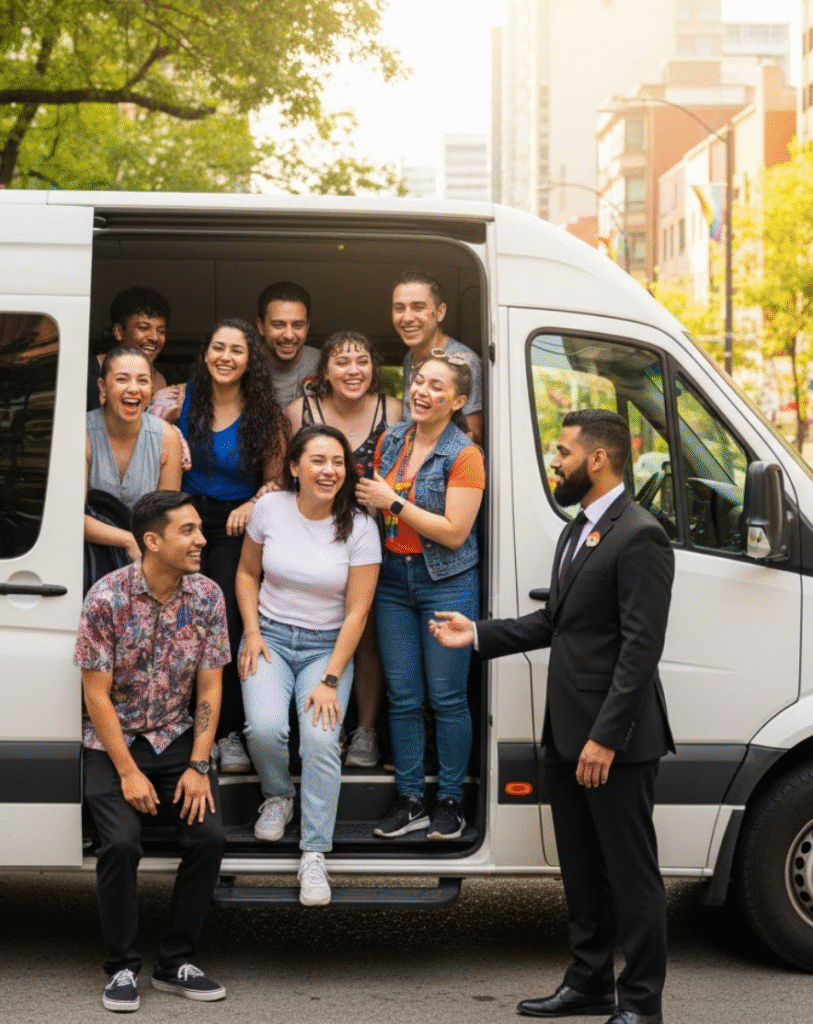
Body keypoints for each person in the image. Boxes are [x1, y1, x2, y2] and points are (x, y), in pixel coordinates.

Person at [430, 409, 675, 1024]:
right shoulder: (578, 530)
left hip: (611, 743)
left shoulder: (640, 534)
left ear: (597, 459)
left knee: (632, 876)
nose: (555, 460)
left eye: (563, 451)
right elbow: (556, 623)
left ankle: (643, 1004)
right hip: (566, 735)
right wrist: (478, 633)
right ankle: (590, 983)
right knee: (583, 872)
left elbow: (640, 650)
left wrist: (604, 739)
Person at [76, 490, 229, 1012]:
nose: (201, 540)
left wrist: (199, 764)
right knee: (119, 843)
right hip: (113, 739)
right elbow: (95, 693)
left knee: (208, 834)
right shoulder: (105, 599)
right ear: (152, 541)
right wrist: (127, 772)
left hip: (174, 734)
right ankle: (120, 968)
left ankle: (176, 961)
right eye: (188, 531)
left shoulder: (208, 596)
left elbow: (209, 689)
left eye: (198, 530)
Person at [235, 425, 381, 905]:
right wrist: (252, 634)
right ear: (294, 467)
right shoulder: (269, 509)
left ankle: (315, 852)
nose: (329, 470)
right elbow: (246, 572)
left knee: (320, 740)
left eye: (338, 461)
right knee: (264, 728)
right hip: (270, 638)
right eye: (317, 460)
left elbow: (357, 612)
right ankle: (278, 796)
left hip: (326, 648)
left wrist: (331, 678)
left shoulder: (360, 525)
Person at [356, 352, 484, 841]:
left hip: (445, 580)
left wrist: (394, 501)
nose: (421, 392)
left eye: (436, 387)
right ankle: (411, 800)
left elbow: (454, 532)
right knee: (404, 697)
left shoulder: (465, 454)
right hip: (392, 579)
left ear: (456, 401)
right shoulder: (394, 438)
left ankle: (450, 801)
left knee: (448, 697)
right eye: (418, 382)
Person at [153, 319, 287, 774]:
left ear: (250, 359)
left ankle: (228, 734)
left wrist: (253, 502)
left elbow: (276, 479)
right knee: (179, 625)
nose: (226, 357)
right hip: (184, 521)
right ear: (206, 353)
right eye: (218, 348)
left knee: (224, 626)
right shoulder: (178, 398)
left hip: (235, 526)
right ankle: (183, 730)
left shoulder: (264, 411)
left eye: (237, 350)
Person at [286, 330, 401, 768]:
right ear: (324, 372)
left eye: (362, 361)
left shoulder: (394, 410)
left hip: (378, 537)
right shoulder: (300, 411)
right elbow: (283, 474)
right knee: (321, 627)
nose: (353, 370)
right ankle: (314, 732)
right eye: (342, 362)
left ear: (374, 368)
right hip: (314, 535)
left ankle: (365, 731)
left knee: (368, 633)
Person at [84, 347, 183, 585]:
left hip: (147, 561)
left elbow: (168, 517)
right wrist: (128, 540)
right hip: (86, 560)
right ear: (102, 388)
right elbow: (69, 516)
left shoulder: (166, 437)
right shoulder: (82, 433)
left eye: (143, 380)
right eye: (122, 379)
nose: (133, 388)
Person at [391, 269, 483, 445]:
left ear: (440, 312)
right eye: (399, 308)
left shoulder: (463, 363)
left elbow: (472, 437)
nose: (407, 317)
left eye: (418, 307)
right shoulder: (409, 357)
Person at [88, 288, 172, 410]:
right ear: (119, 332)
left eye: (161, 331)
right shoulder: (88, 371)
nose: (155, 337)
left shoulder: (159, 381)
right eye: (144, 328)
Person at [256, 281, 321, 408]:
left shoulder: (325, 364)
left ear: (307, 327)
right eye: (278, 325)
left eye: (297, 325)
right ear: (261, 327)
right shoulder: (243, 366)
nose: (289, 335)